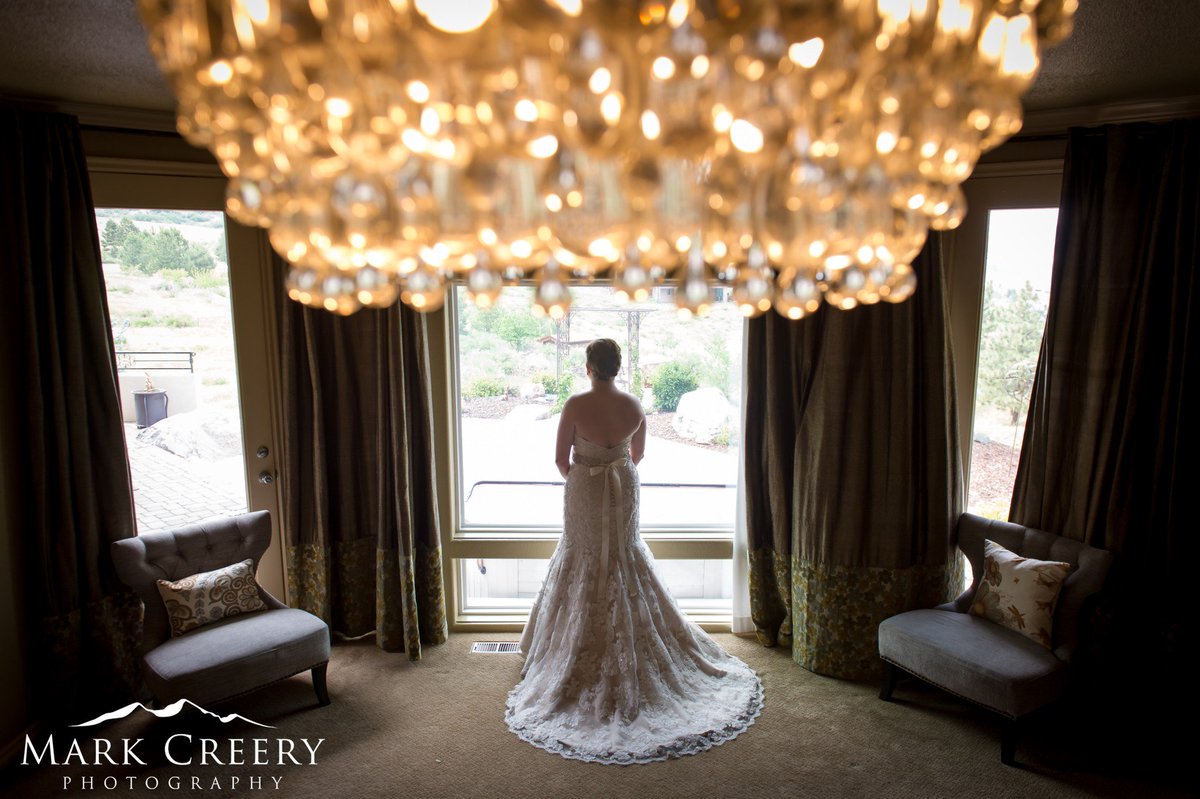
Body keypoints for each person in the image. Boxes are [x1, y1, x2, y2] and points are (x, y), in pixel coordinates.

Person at [505, 338, 764, 764]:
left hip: (585, 487)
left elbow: (558, 460)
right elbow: (637, 455)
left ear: (589, 367)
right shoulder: (635, 406)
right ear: (617, 367)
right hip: (623, 485)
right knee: (625, 554)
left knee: (581, 553)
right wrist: (614, 470)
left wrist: (586, 478)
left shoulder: (573, 405)